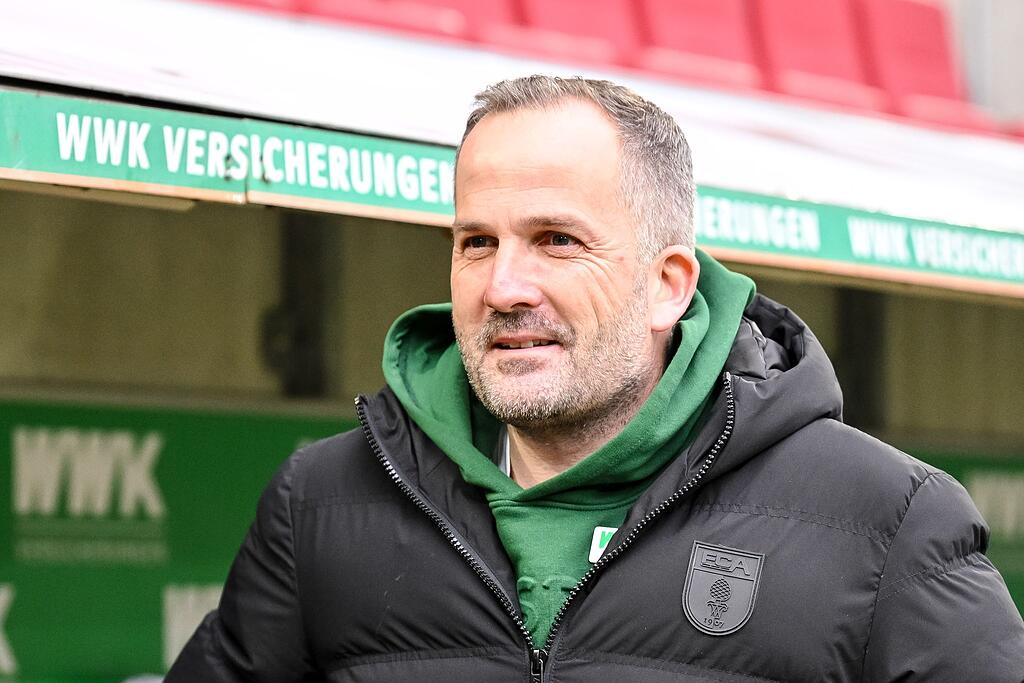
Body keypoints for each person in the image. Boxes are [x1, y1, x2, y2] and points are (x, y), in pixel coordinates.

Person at [168, 76, 1024, 681]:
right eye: (477, 242)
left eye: (557, 240)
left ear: (668, 285)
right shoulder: (320, 505)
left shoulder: (886, 522)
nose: (505, 286)